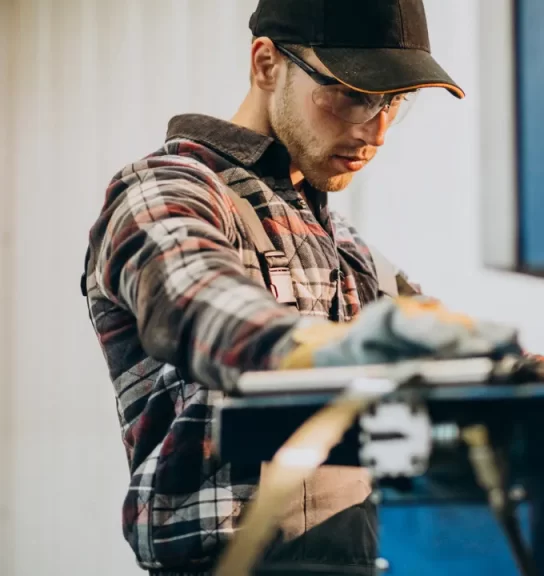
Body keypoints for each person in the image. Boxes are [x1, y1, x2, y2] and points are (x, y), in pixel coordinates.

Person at [80, 1, 521, 574]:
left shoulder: (344, 247)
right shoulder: (165, 189)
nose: (378, 131)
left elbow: (442, 347)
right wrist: (324, 351)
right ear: (267, 64)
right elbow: (195, 299)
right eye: (353, 94)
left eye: (392, 102)